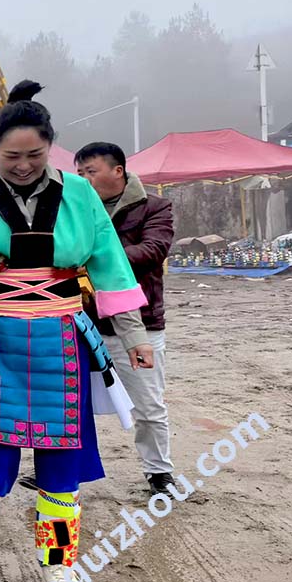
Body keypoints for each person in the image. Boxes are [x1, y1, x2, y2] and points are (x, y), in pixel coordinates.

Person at [0, 81, 151, 582]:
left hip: (62, 340)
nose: (23, 165)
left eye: (35, 154)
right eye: (11, 156)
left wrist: (135, 338)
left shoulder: (79, 195)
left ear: (51, 148)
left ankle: (59, 568)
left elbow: (111, 267)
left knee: (63, 461)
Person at [74, 142, 175, 496]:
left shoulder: (154, 207)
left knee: (148, 404)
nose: (84, 179)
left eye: (92, 171)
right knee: (69, 402)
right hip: (83, 323)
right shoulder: (74, 210)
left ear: (118, 171)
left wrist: (99, 257)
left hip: (140, 325)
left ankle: (159, 471)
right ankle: (64, 470)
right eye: (80, 172)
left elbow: (153, 251)